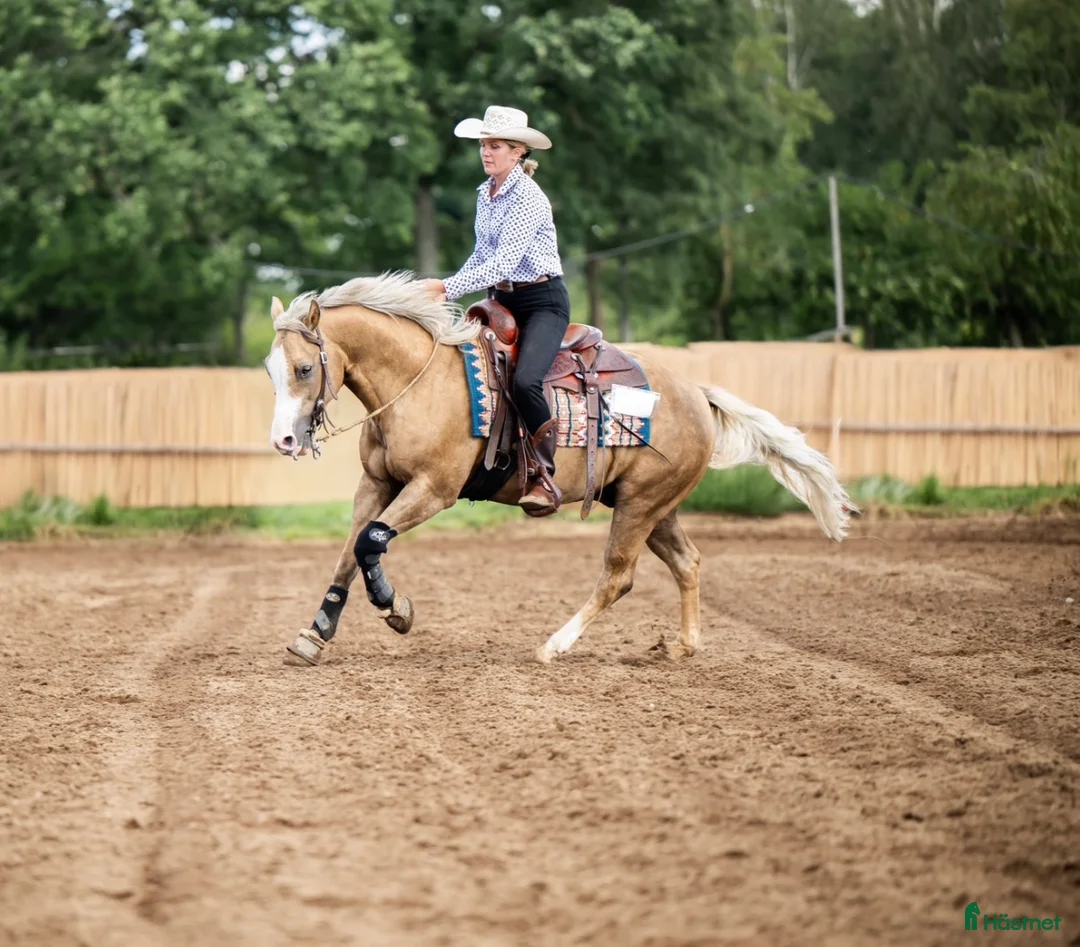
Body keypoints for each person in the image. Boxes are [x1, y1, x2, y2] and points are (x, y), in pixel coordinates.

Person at [422, 105, 569, 516]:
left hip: (542, 302)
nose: (486, 152)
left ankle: (543, 474)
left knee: (525, 382)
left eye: (497, 146)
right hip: (500, 301)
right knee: (464, 369)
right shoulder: (484, 194)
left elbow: (504, 263)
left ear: (518, 151)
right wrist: (446, 286)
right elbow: (481, 256)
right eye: (484, 145)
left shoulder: (529, 198)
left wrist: (446, 287)